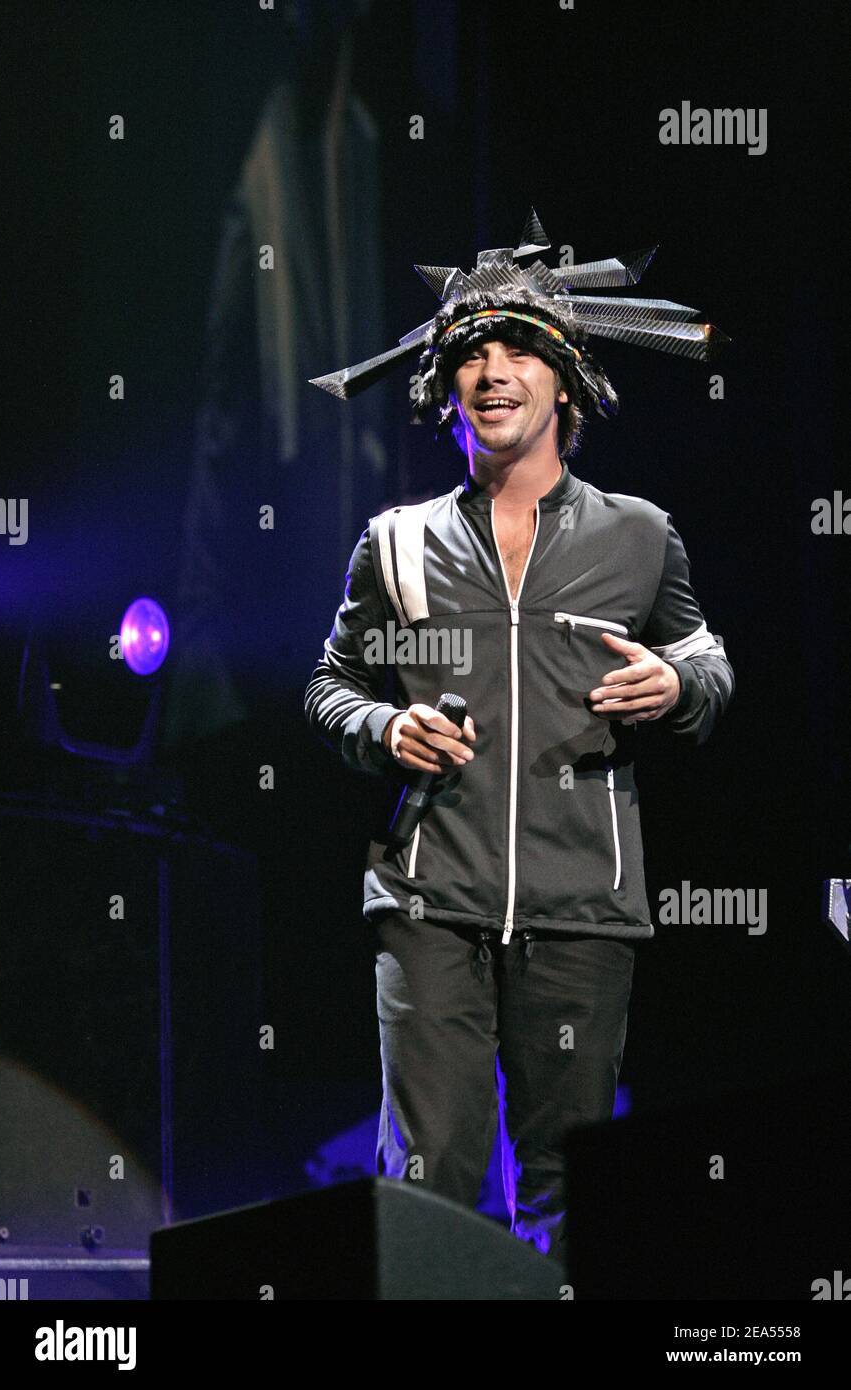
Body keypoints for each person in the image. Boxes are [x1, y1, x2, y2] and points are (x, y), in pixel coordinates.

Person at [304, 211, 734, 1263]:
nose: (490, 372)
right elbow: (330, 684)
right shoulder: (393, 542)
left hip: (581, 901)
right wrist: (383, 724)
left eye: (516, 351)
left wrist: (670, 682)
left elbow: (709, 668)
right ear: (441, 387)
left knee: (570, 1180)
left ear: (564, 380)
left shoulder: (638, 534)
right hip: (429, 899)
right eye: (468, 356)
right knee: (432, 1179)